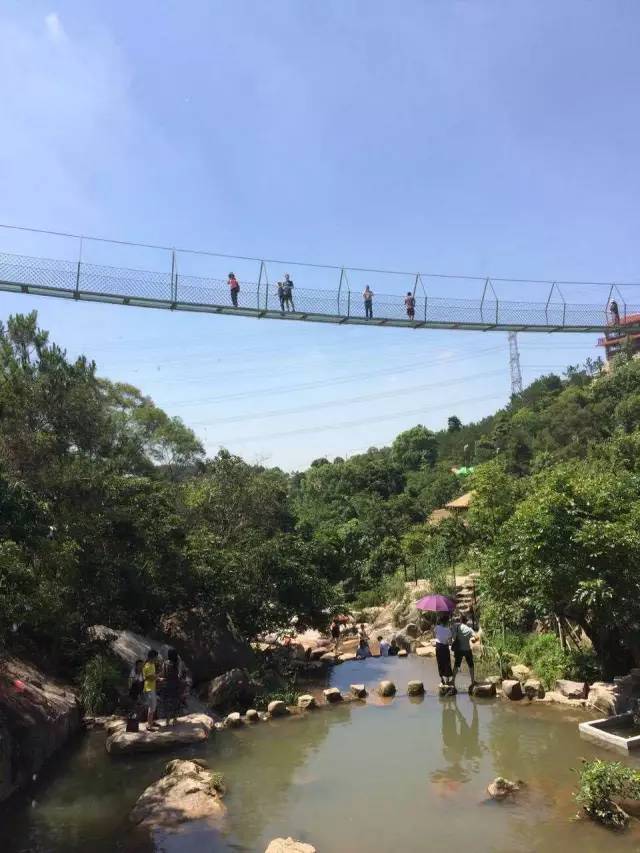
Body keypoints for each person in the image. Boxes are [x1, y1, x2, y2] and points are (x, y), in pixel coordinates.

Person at [451, 613, 476, 688]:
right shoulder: (470, 629)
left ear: (461, 620)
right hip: (467, 650)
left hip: (459, 649)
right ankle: (472, 681)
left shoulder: (456, 627)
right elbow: (476, 637)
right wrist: (473, 640)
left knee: (456, 665)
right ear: (466, 621)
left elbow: (454, 637)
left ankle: (453, 681)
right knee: (471, 665)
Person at [162, 648, 184, 726]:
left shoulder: (165, 663)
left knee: (167, 703)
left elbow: (163, 674)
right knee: (175, 702)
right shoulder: (177, 664)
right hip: (175, 685)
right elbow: (179, 675)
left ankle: (167, 721)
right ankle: (174, 720)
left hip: (166, 685)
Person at [142, 649, 160, 731]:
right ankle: (149, 725)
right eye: (156, 657)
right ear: (152, 657)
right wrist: (160, 675)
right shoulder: (148, 666)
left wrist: (158, 678)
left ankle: (151, 721)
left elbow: (153, 677)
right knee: (151, 706)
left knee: (154, 706)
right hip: (149, 689)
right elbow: (150, 678)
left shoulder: (152, 665)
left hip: (152, 688)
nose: (157, 659)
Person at [434, 614, 453, 685]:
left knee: (440, 662)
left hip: (438, 647)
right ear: (447, 621)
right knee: (447, 663)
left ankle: (442, 679)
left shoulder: (437, 627)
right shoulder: (448, 630)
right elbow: (450, 642)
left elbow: (435, 634)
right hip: (445, 647)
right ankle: (447, 680)